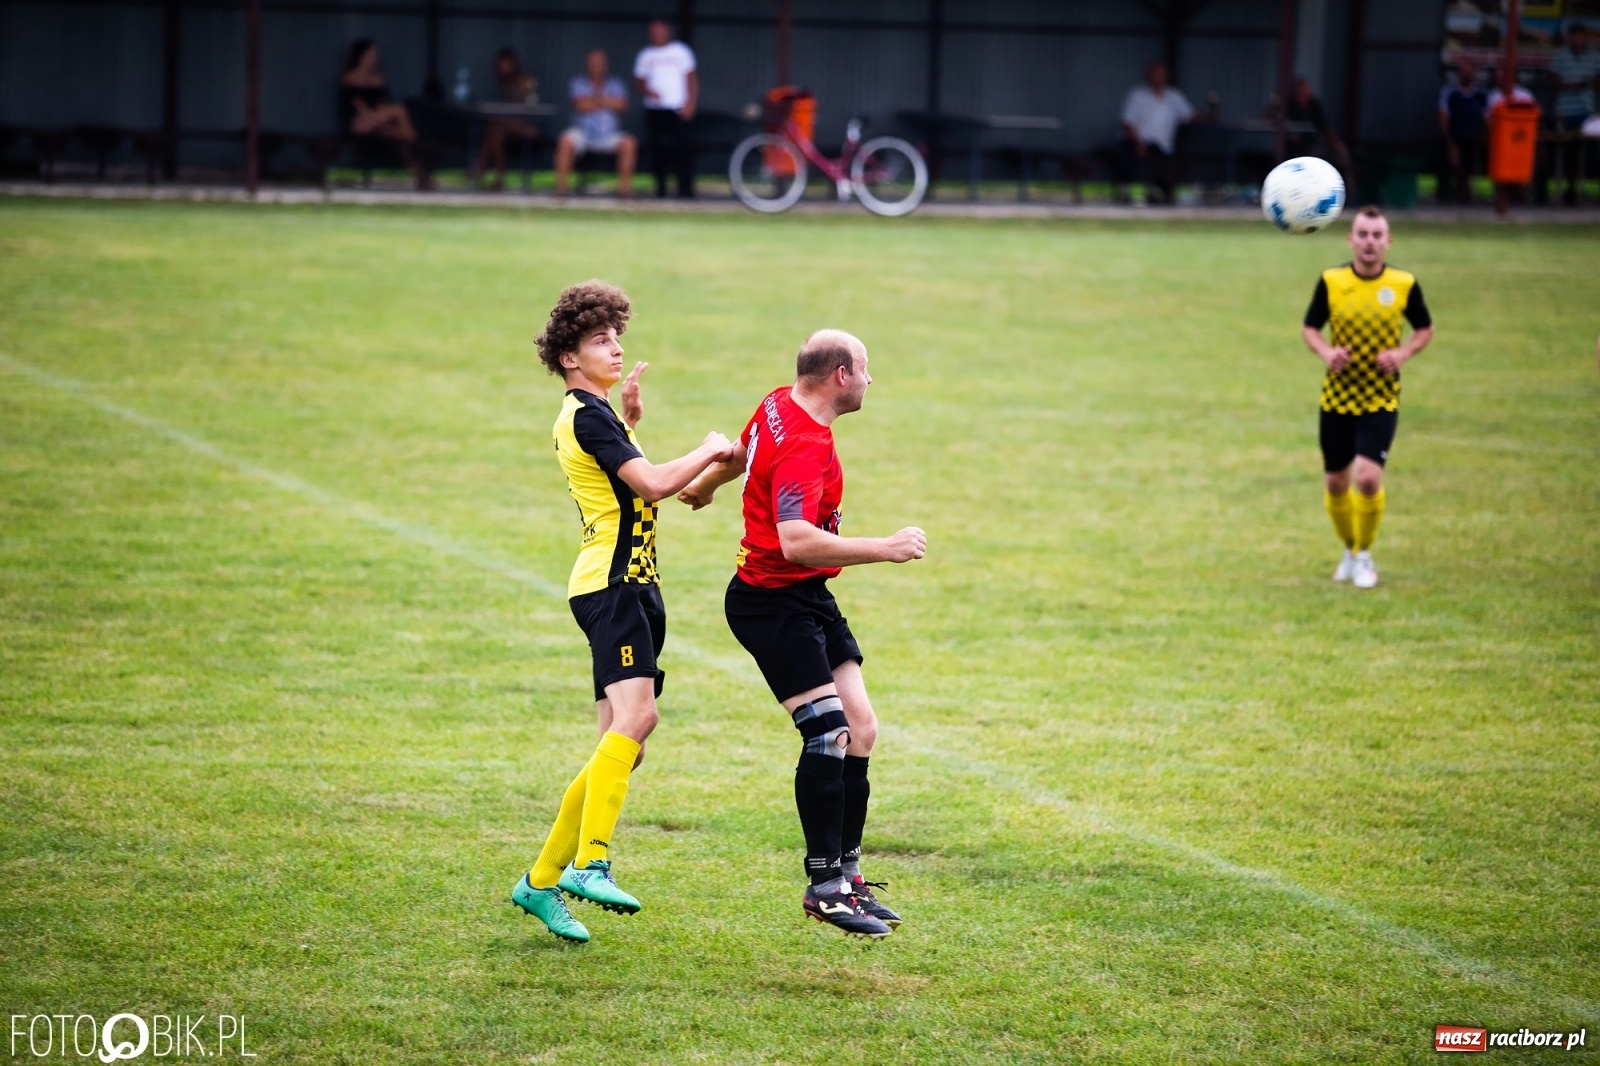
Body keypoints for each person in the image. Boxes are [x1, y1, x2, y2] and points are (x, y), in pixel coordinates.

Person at [677, 331, 926, 939]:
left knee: (861, 728)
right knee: (828, 732)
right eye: (867, 370)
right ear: (841, 375)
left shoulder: (776, 402)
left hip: (805, 596)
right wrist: (885, 548)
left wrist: (706, 487)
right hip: (770, 604)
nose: (872, 381)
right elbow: (795, 540)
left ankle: (848, 875)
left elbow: (741, 452)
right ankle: (824, 887)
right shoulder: (807, 447)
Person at [510, 281, 734, 943]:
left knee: (622, 747)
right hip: (613, 587)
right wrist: (708, 444)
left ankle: (540, 882)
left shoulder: (600, 415)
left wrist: (644, 429)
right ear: (570, 359)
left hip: (631, 586)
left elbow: (677, 493)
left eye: (617, 336)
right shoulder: (584, 414)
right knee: (640, 718)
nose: (616, 348)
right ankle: (592, 862)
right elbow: (657, 484)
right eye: (601, 340)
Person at [1300, 207, 1434, 590]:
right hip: (1336, 399)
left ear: (1388, 241)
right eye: (1363, 234)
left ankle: (1363, 554)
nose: (1370, 241)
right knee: (1336, 484)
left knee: (1368, 479)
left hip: (1380, 399)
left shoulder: (1404, 284)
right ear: (1351, 240)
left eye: (1377, 235)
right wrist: (1326, 353)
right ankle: (1348, 549)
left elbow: (1424, 329)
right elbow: (1310, 327)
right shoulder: (1332, 281)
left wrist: (1403, 353)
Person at [339, 39, 429, 189]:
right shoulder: (349, 77)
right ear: (361, 56)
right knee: (399, 110)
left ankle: (420, 175)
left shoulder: (378, 78)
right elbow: (357, 106)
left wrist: (381, 121)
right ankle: (416, 143)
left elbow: (383, 103)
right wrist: (375, 119)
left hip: (378, 121)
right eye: (372, 53)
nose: (375, 56)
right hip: (360, 122)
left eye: (376, 53)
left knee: (400, 136)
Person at [554, 50, 638, 197]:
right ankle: (561, 188)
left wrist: (593, 100)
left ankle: (624, 189)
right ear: (586, 65)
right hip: (583, 133)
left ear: (606, 66)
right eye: (593, 64)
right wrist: (607, 101)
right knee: (565, 141)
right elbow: (580, 105)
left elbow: (622, 105)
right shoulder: (578, 82)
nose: (597, 67)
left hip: (609, 135)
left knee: (629, 143)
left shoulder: (616, 83)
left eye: (600, 64)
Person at [633, 19, 698, 198]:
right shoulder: (646, 55)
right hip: (655, 110)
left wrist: (690, 103)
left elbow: (691, 78)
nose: (657, 34)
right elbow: (638, 81)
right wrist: (648, 90)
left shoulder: (681, 52)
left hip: (677, 108)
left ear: (668, 31)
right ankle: (661, 190)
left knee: (682, 149)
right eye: (653, 31)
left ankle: (686, 191)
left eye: (660, 30)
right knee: (658, 150)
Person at [1115, 60, 1195, 205]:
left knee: (1162, 159)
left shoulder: (1173, 96)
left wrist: (1210, 114)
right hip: (1134, 142)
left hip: (1161, 147)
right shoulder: (1137, 95)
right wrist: (1138, 145)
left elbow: (1190, 115)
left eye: (1160, 75)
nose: (1156, 78)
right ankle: (1124, 191)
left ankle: (1154, 191)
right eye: (1153, 75)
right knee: (1125, 153)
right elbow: (1127, 122)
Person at [473, 48, 541, 192]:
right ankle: (496, 178)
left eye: (505, 64)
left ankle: (479, 167)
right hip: (510, 130)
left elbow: (531, 108)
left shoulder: (524, 80)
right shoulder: (504, 83)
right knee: (496, 134)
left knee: (496, 125)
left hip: (530, 128)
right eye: (500, 65)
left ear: (513, 64)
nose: (502, 68)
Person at [1550, 23, 1600, 204]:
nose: (1578, 39)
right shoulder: (1560, 56)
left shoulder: (1594, 57)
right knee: (1567, 150)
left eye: (1581, 35)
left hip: (1586, 110)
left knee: (1586, 150)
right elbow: (1553, 79)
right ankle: (1569, 188)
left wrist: (1588, 83)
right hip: (1564, 110)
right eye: (1575, 36)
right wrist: (1570, 86)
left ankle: (1579, 187)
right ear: (1569, 37)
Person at [1438, 60, 1489, 204]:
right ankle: (1458, 191)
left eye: (1470, 72)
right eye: (1463, 72)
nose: (1466, 75)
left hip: (1475, 138)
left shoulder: (1481, 94)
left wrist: (1486, 138)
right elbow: (1443, 118)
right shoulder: (1449, 92)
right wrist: (1450, 143)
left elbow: (1486, 120)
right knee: (1451, 154)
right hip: (1454, 137)